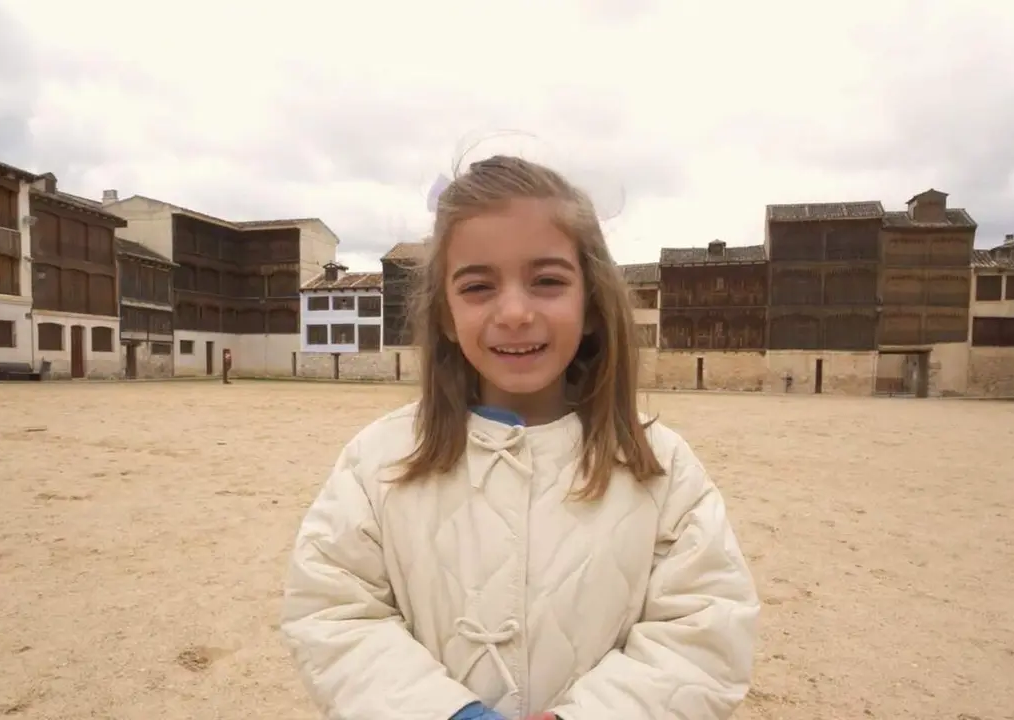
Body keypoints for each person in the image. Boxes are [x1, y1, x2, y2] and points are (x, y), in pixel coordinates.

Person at [280, 155, 760, 720]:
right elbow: (333, 612)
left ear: (590, 305)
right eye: (479, 286)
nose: (514, 311)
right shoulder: (379, 461)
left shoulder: (660, 466)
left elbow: (705, 631)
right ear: (444, 315)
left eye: (548, 281)